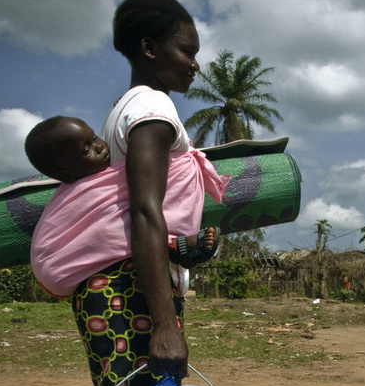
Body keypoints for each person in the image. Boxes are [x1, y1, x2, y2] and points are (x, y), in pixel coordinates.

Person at [52, 0, 218, 386]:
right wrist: (165, 325)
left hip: (120, 288)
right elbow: (145, 213)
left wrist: (183, 255)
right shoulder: (152, 110)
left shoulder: (126, 108)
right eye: (186, 51)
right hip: (129, 292)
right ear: (149, 49)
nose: (194, 65)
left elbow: (134, 214)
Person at [26, 115, 225, 298]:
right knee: (113, 229)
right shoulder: (78, 192)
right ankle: (168, 245)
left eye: (95, 138)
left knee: (125, 221)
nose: (100, 147)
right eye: (87, 150)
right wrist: (179, 162)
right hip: (56, 266)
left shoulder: (109, 174)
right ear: (67, 175)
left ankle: (169, 244)